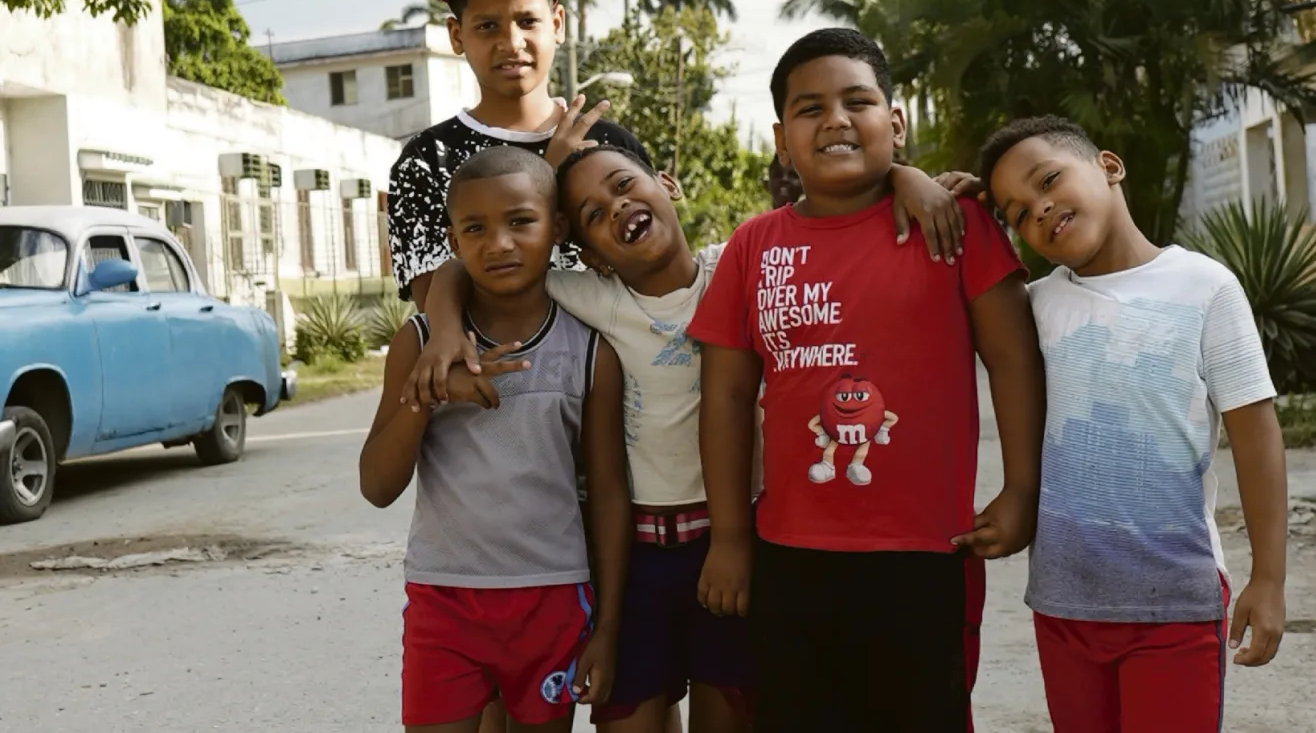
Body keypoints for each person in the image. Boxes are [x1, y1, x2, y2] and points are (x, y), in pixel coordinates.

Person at [400, 148, 972, 731]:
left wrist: (907, 177)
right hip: (633, 555)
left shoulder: (739, 264)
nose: (617, 207)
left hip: (732, 540)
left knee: (729, 711)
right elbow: (468, 265)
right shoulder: (591, 297)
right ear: (589, 252)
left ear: (667, 185)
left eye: (625, 185)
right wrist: (443, 328)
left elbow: (825, 219)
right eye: (594, 213)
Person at [686, 27, 1046, 733]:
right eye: (809, 108)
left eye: (858, 101)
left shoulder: (954, 223)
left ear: (896, 121)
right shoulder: (753, 247)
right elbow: (725, 397)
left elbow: (1015, 359)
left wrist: (1023, 488)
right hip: (788, 556)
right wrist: (730, 536)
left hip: (924, 555)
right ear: (782, 138)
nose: (836, 120)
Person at [976, 115, 1287, 732]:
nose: (1038, 209)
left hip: (1176, 603)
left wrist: (1269, 578)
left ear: (1109, 167)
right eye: (1016, 213)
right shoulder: (1033, 306)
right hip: (1064, 604)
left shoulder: (1205, 287)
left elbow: (1256, 435)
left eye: (1048, 180)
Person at [360, 146, 632, 733]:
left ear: (556, 227)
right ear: (454, 244)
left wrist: (607, 627)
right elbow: (378, 486)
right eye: (475, 229)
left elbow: (609, 495)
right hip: (444, 598)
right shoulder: (421, 342)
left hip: (552, 598)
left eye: (521, 221)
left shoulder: (591, 353)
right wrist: (429, 394)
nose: (499, 243)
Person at [388, 0, 652, 314]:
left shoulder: (613, 150)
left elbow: (652, 277)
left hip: (616, 373)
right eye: (487, 26)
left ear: (557, 24)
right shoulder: (425, 161)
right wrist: (549, 175)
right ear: (457, 36)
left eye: (528, 21)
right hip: (490, 373)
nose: (511, 43)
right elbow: (439, 318)